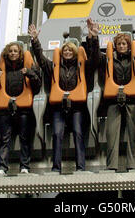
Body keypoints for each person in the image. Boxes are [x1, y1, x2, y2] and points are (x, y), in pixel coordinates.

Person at [86, 18, 135, 172]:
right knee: (111, 135)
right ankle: (111, 166)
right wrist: (93, 37)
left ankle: (132, 165)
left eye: (124, 44)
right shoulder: (108, 59)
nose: (121, 46)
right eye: (119, 44)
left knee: (132, 135)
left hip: (131, 101)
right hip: (113, 102)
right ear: (115, 46)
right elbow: (94, 57)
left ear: (128, 45)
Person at [28, 24, 96, 173]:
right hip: (59, 107)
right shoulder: (54, 67)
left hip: (77, 107)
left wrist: (92, 38)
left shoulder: (81, 66)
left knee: (78, 132)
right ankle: (56, 167)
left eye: (70, 50)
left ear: (75, 52)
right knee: (57, 134)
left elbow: (94, 58)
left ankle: (81, 167)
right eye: (65, 50)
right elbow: (40, 58)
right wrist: (34, 40)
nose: (67, 52)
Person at [0, 42, 41, 175]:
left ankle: (24, 166)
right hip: (5, 110)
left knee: (24, 138)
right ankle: (2, 167)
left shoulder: (27, 67)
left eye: (15, 51)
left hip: (23, 110)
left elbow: (37, 86)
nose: (13, 53)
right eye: (10, 51)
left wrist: (29, 73)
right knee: (5, 139)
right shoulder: (1, 70)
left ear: (20, 53)